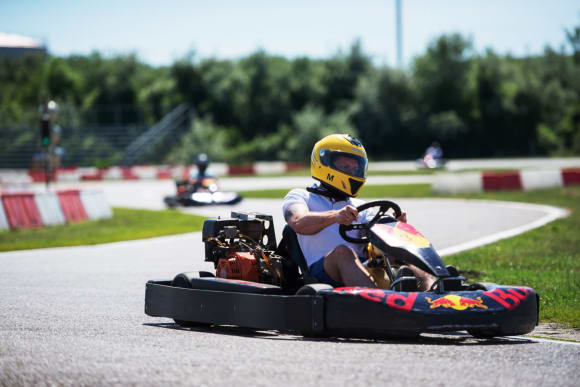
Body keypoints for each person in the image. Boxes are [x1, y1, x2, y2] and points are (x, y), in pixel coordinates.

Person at [283, 134, 435, 290]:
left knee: (401, 251)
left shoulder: (360, 207)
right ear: (324, 163)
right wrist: (335, 216)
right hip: (322, 273)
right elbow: (298, 222)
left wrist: (394, 227)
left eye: (355, 168)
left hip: (360, 268)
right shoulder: (301, 196)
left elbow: (371, 242)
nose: (352, 172)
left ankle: (436, 292)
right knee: (343, 252)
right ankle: (379, 303)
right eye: (345, 167)